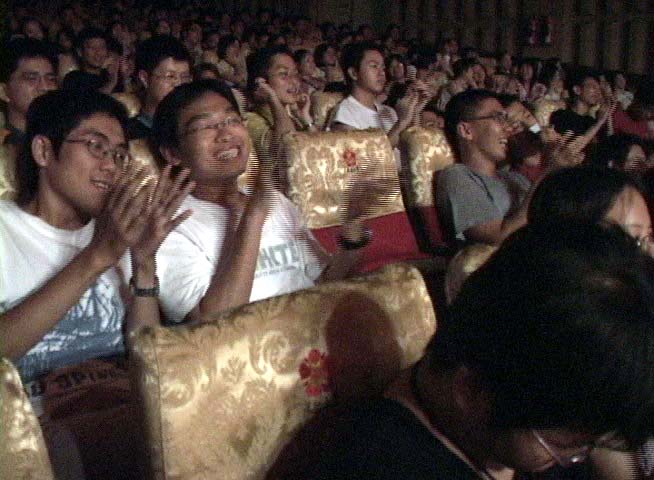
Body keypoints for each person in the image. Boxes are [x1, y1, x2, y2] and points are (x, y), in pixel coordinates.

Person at [280, 220, 654, 479]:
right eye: (568, 447)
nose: (574, 458)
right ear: (471, 389)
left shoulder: (522, 412)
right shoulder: (380, 463)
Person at [152, 80, 384, 323]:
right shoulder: (167, 227)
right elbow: (212, 325)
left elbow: (321, 281)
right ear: (172, 153)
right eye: (206, 126)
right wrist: (252, 219)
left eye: (232, 120)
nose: (226, 134)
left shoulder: (272, 199)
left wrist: (352, 239)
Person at [0, 88, 193, 383]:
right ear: (44, 151)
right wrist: (98, 256)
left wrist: (144, 265)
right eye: (95, 146)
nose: (110, 166)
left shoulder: (118, 227)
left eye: (119, 155)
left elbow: (148, 358)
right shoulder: (6, 228)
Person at [330, 41, 425, 164]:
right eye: (374, 66)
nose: (382, 73)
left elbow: (412, 153)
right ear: (353, 73)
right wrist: (400, 123)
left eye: (383, 68)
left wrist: (415, 112)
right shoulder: (344, 114)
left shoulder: (388, 111)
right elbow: (358, 165)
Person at [246, 45, 315, 168]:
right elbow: (289, 152)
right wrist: (272, 97)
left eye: (295, 74)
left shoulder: (294, 117)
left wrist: (306, 120)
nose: (294, 81)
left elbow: (318, 153)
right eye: (283, 74)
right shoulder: (250, 120)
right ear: (262, 82)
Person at [127, 35, 192, 140]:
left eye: (185, 77)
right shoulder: (128, 134)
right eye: (170, 76)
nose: (179, 84)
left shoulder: (192, 129)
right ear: (144, 78)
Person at [1, 38, 58, 147]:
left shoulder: (63, 140)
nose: (45, 87)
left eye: (51, 79)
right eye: (31, 78)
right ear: (3, 91)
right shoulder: (4, 146)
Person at [550, 70, 602, 137]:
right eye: (593, 87)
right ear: (577, 90)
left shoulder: (592, 122)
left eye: (599, 89)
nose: (598, 92)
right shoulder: (560, 116)